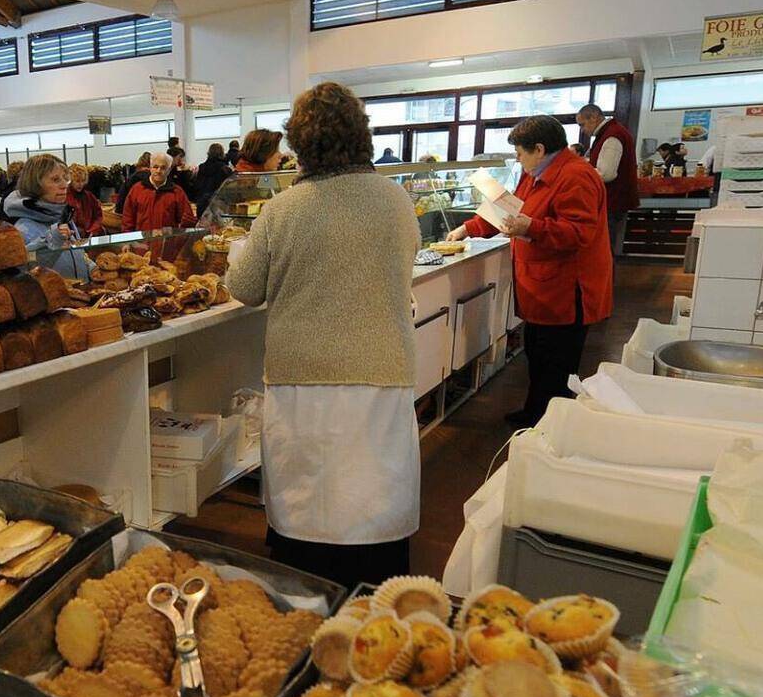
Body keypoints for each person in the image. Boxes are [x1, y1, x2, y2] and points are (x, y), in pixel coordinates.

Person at [226, 82, 420, 586]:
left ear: (299, 144)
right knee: (374, 493)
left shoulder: (286, 208)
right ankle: (376, 610)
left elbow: (244, 287)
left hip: (303, 372)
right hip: (382, 365)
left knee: (308, 501)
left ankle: (309, 606)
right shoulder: (396, 200)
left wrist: (238, 252)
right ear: (362, 136)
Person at [450, 115, 612, 430]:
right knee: (538, 355)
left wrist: (532, 226)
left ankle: (551, 427)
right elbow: (509, 210)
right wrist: (468, 228)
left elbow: (579, 233)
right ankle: (535, 412)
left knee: (557, 363)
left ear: (539, 149)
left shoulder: (577, 176)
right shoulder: (536, 172)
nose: (517, 159)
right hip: (542, 286)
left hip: (567, 290)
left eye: (520, 152)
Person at [5, 154, 94, 278]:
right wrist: (50, 240)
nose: (64, 185)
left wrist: (92, 268)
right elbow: (25, 270)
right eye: (55, 179)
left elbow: (78, 253)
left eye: (65, 178)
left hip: (77, 294)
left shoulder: (64, 218)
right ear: (35, 185)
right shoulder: (21, 229)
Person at [577, 103, 636, 257]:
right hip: (615, 200)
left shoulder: (612, 135)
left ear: (594, 117)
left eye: (582, 124)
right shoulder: (613, 132)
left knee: (605, 249)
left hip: (612, 200)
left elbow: (606, 173)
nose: (583, 130)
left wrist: (582, 173)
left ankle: (606, 280)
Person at [120, 151, 198, 233]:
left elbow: (188, 220)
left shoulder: (177, 192)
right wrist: (129, 241)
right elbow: (127, 219)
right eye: (155, 167)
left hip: (167, 243)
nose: (158, 171)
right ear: (150, 168)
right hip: (141, 243)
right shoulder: (136, 190)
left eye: (163, 168)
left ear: (169, 170)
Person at [65, 164, 105, 237]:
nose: (80, 184)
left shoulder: (89, 196)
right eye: (77, 181)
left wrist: (92, 230)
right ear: (70, 181)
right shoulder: (64, 197)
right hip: (72, 235)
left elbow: (98, 216)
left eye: (83, 181)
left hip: (90, 233)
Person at [190, 142, 232, 208]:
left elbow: (197, 185)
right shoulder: (225, 169)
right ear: (222, 153)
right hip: (218, 201)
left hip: (201, 201)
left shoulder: (201, 167)